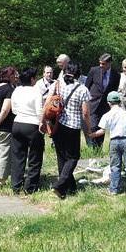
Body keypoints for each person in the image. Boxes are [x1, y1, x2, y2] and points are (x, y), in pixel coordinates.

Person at [50, 62, 91, 199]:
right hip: (73, 126)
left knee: (62, 157)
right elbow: (85, 113)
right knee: (73, 157)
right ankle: (59, 184)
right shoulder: (83, 89)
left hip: (59, 124)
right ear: (79, 74)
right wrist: (89, 129)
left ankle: (69, 188)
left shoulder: (61, 87)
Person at [89, 91, 126, 195]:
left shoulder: (107, 115)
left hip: (114, 141)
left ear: (109, 103)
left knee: (115, 166)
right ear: (120, 101)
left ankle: (114, 189)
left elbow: (102, 131)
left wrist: (91, 135)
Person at [10, 68, 45, 194]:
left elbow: (13, 109)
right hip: (32, 125)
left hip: (17, 123)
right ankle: (30, 187)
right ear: (32, 79)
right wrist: (42, 124)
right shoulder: (36, 92)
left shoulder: (17, 90)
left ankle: (16, 185)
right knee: (35, 157)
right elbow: (39, 111)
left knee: (17, 156)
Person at [85, 53, 120, 147]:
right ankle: (91, 148)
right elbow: (86, 86)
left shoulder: (116, 75)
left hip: (105, 106)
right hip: (92, 103)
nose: (101, 65)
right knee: (93, 126)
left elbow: (114, 91)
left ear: (109, 63)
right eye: (100, 63)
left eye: (103, 64)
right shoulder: (94, 70)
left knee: (102, 127)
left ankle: (98, 149)